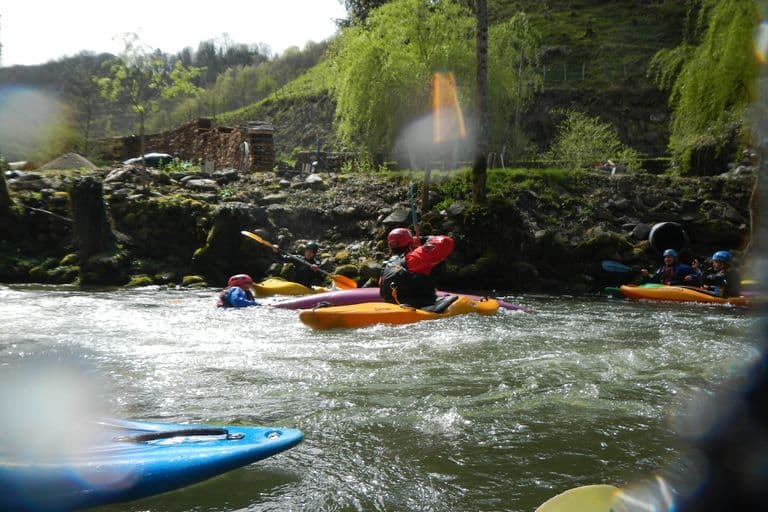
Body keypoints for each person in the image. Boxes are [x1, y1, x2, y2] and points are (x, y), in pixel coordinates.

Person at [379, 227, 454, 308]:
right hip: (421, 307)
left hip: (394, 308)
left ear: (390, 246)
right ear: (411, 244)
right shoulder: (414, 257)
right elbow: (446, 241)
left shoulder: (385, 266)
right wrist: (422, 239)